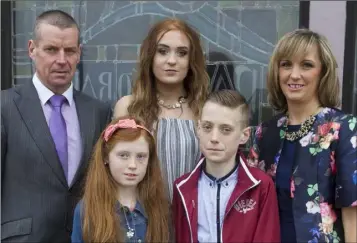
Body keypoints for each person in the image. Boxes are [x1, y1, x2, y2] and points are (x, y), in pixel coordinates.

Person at [1, 10, 112, 242]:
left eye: (70, 51)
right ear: (32, 49)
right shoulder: (5, 107)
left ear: (79, 54)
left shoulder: (98, 112)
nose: (62, 60)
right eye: (51, 49)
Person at [248, 29, 357, 243]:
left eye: (306, 65)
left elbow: (352, 213)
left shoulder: (343, 129)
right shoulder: (264, 133)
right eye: (286, 64)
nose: (294, 74)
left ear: (322, 72)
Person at [113, 18, 209, 199]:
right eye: (163, 51)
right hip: (142, 218)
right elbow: (113, 173)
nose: (171, 60)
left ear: (191, 60)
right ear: (151, 56)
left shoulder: (205, 110)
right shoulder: (129, 107)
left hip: (192, 219)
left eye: (181, 53)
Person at [172, 90, 280, 243]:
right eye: (207, 127)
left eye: (226, 129)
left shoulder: (261, 185)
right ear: (198, 129)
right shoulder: (182, 187)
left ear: (244, 135)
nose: (214, 138)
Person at [71, 117, 170, 243]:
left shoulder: (160, 207)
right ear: (106, 156)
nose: (133, 165)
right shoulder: (87, 209)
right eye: (123, 155)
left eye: (141, 156)